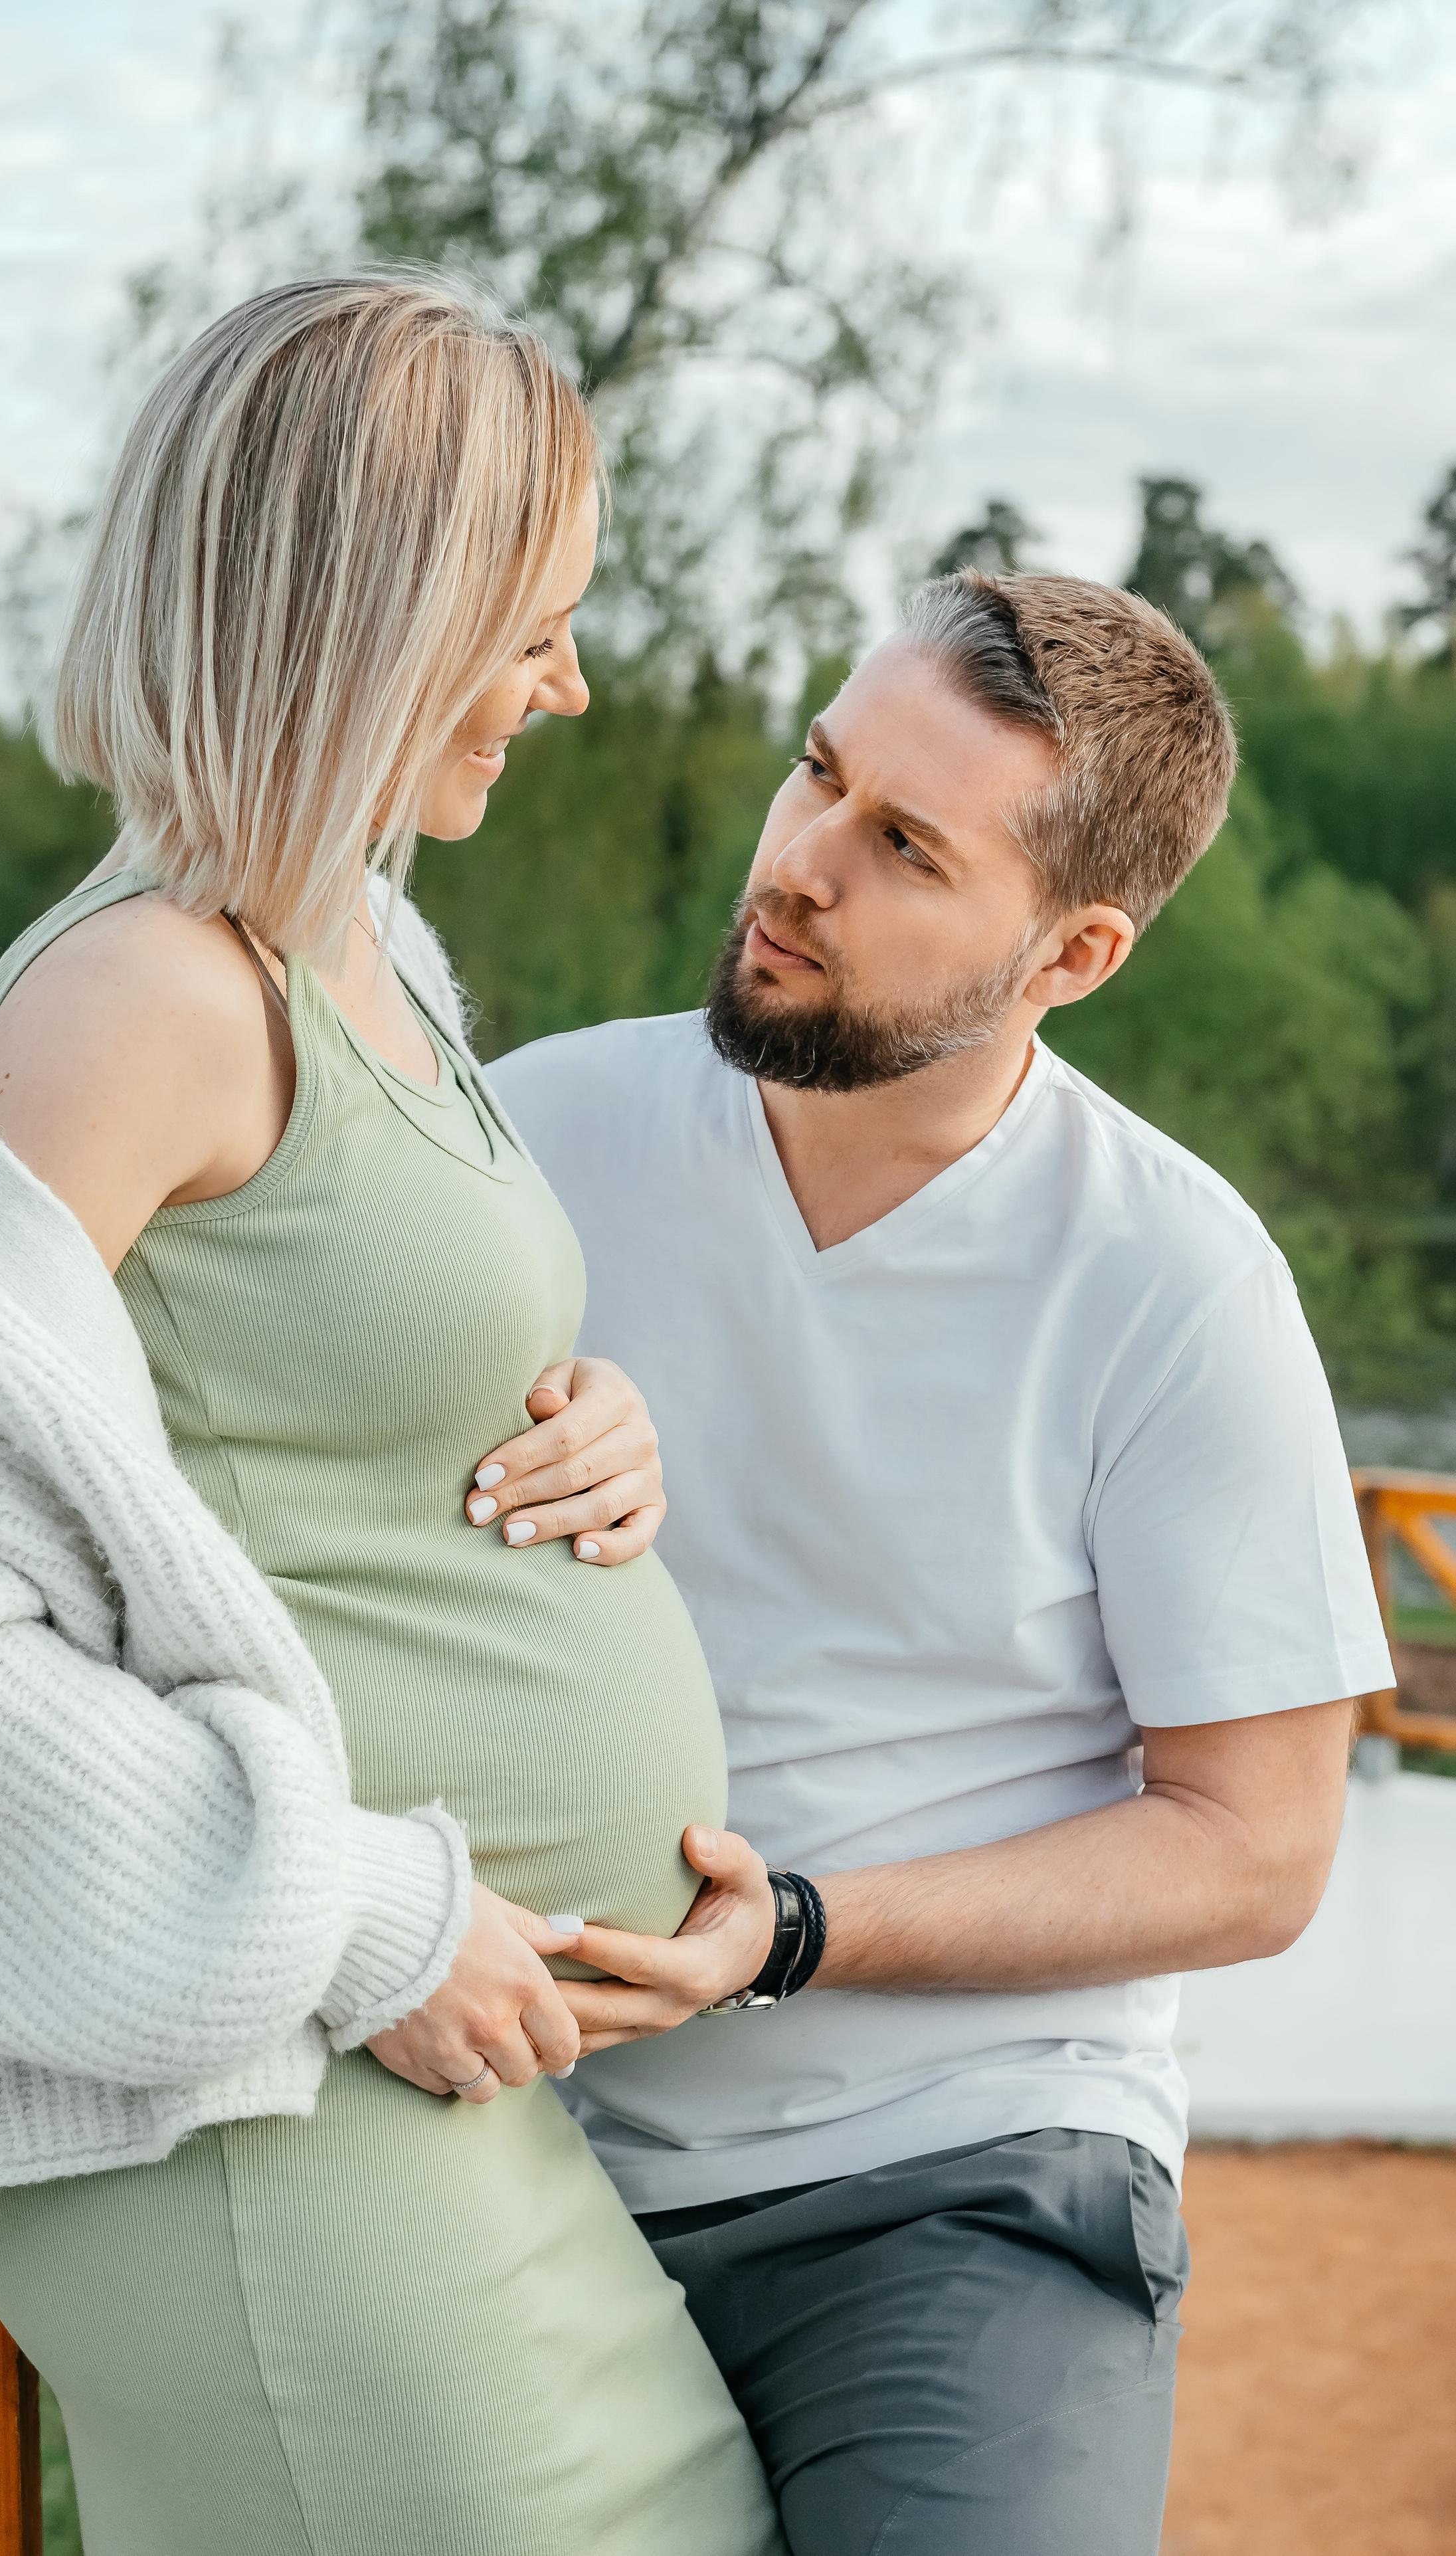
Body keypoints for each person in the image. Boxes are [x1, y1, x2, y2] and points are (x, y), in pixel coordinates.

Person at [0, 277, 784, 2556]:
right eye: (530, 624)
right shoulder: (143, 993)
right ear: (371, 616)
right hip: (259, 2116)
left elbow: (286, 1398)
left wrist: (588, 1417)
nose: (569, 683)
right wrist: (354, 1918)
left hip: (395, 2110)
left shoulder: (367, 948)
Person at [492, 570, 1394, 2556]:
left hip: (956, 2173)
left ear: (1076, 950)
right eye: (820, 772)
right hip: (508, 2138)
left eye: (903, 845)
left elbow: (1256, 1849)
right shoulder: (530, 1134)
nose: (800, 864)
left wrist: (798, 1926)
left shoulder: (1174, 1281)